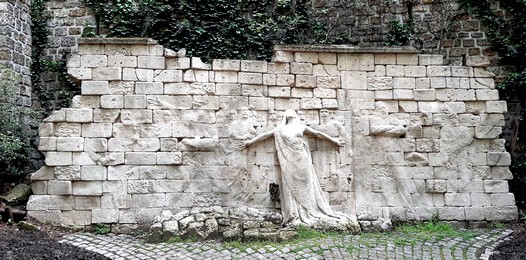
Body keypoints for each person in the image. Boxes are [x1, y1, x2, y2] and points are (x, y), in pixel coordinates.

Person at [238, 109, 349, 227]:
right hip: (288, 160)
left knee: (307, 185)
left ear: (295, 115)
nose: (290, 112)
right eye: (288, 111)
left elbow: (318, 134)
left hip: (302, 158)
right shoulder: (280, 129)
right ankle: (294, 212)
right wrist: (249, 142)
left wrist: (334, 141)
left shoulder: (301, 127)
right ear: (285, 116)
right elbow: (265, 135)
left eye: (292, 111)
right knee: (290, 186)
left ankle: (309, 210)